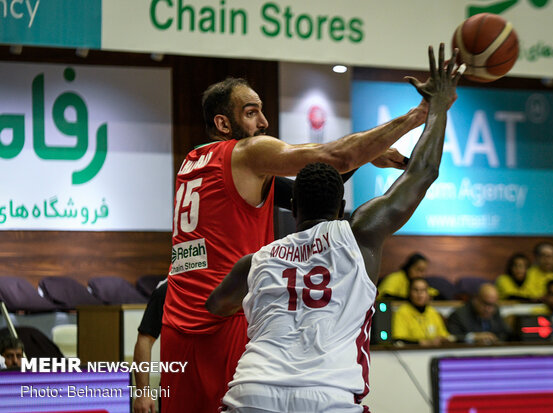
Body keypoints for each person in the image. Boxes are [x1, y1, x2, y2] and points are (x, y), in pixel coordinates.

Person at [161, 48, 440, 411]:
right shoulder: (246, 153)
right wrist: (420, 115)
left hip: (179, 320)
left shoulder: (194, 162)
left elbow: (310, 192)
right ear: (223, 125)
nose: (263, 123)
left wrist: (364, 155)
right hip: (224, 319)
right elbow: (335, 159)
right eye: (251, 112)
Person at [132, 280, 167, 413]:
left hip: (222, 385)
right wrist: (143, 393)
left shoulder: (230, 284)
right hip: (176, 388)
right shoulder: (167, 289)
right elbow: (145, 339)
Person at [392, 277, 453, 346]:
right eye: (416, 290)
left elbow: (444, 336)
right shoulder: (402, 312)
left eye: (423, 290)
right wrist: (423, 343)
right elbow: (399, 341)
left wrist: (443, 339)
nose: (420, 294)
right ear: (409, 293)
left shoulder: (433, 312)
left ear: (428, 294)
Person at [446, 283, 512, 344]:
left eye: (493, 305)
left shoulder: (495, 311)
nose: (489, 309)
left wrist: (494, 338)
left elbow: (506, 333)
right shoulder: (459, 315)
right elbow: (452, 338)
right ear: (476, 299)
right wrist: (473, 337)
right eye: (485, 304)